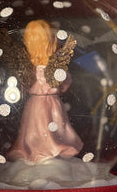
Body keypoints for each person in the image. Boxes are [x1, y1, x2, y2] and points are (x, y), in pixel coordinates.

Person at [7, 20, 83, 162]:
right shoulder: (54, 66)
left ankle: (37, 150)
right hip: (52, 102)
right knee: (50, 128)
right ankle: (49, 150)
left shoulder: (29, 68)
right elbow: (65, 82)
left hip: (34, 103)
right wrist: (59, 88)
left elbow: (23, 85)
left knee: (34, 129)